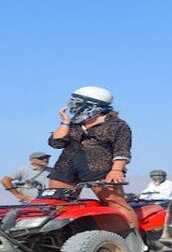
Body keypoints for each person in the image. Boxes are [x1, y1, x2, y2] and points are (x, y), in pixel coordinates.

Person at [47, 86, 138, 230]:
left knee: (115, 202)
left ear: (92, 105)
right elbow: (56, 143)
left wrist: (117, 170)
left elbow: (122, 149)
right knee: (57, 203)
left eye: (77, 103)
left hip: (99, 167)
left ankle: (132, 240)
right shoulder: (75, 123)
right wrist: (65, 122)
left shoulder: (117, 125)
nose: (72, 106)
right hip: (66, 166)